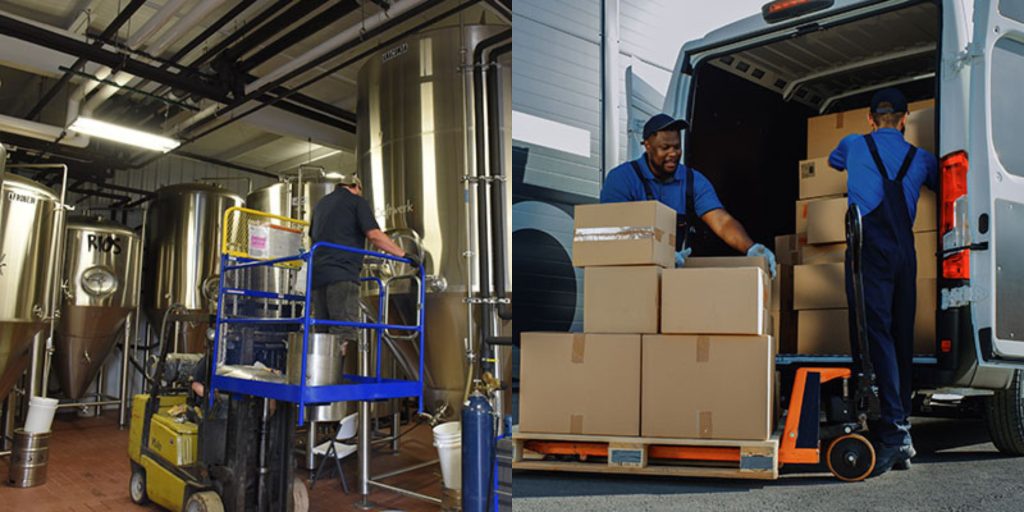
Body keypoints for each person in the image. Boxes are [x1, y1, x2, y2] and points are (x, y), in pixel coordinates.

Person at [828, 88, 938, 476]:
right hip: (905, 253)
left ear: (871, 119)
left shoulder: (853, 144)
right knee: (900, 336)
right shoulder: (921, 159)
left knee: (875, 337)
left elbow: (832, 161)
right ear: (905, 119)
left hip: (868, 251)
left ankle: (891, 434)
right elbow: (943, 182)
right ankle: (899, 426)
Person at [601, 113, 776, 276]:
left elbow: (722, 222)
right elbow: (614, 231)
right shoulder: (622, 179)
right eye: (665, 148)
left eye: (677, 147)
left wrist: (751, 247)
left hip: (671, 276)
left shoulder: (693, 180)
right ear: (647, 146)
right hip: (628, 274)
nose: (673, 154)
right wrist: (660, 255)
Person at [309, 174, 420, 349]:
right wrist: (403, 254)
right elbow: (374, 235)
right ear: (356, 187)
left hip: (316, 277)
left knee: (323, 334)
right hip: (342, 274)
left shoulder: (320, 205)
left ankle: (319, 376)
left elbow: (313, 238)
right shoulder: (356, 202)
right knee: (342, 334)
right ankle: (335, 376)